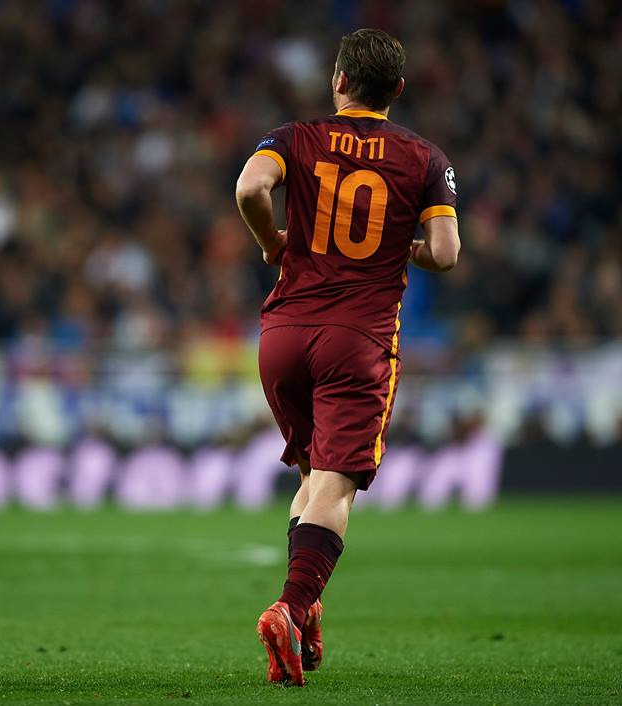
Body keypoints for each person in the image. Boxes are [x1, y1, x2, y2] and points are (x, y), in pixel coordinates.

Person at [235, 28, 460, 687]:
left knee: (311, 477)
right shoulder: (425, 158)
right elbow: (446, 253)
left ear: (338, 80)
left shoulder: (294, 137)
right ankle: (290, 607)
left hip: (283, 334)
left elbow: (249, 189)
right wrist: (407, 249)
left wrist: (270, 243)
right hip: (357, 339)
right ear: (398, 89)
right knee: (336, 485)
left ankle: (307, 612)